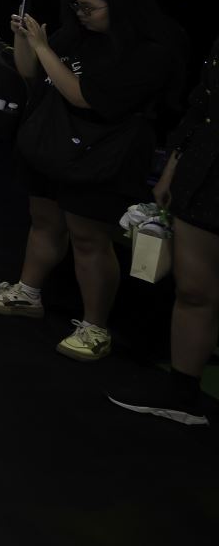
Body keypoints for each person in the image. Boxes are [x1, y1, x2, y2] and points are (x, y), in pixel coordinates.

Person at [0, 0, 185, 362]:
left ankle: (95, 326)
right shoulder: (75, 35)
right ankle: (28, 293)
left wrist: (42, 47)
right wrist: (25, 39)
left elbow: (81, 95)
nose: (81, 15)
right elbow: (31, 73)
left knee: (88, 237)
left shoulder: (149, 51)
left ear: (122, 5)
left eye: (90, 8)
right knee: (44, 220)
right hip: (52, 142)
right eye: (76, 7)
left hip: (103, 153)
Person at [107, 36, 218, 425]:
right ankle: (182, 395)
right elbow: (200, 106)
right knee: (193, 289)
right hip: (205, 172)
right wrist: (172, 168)